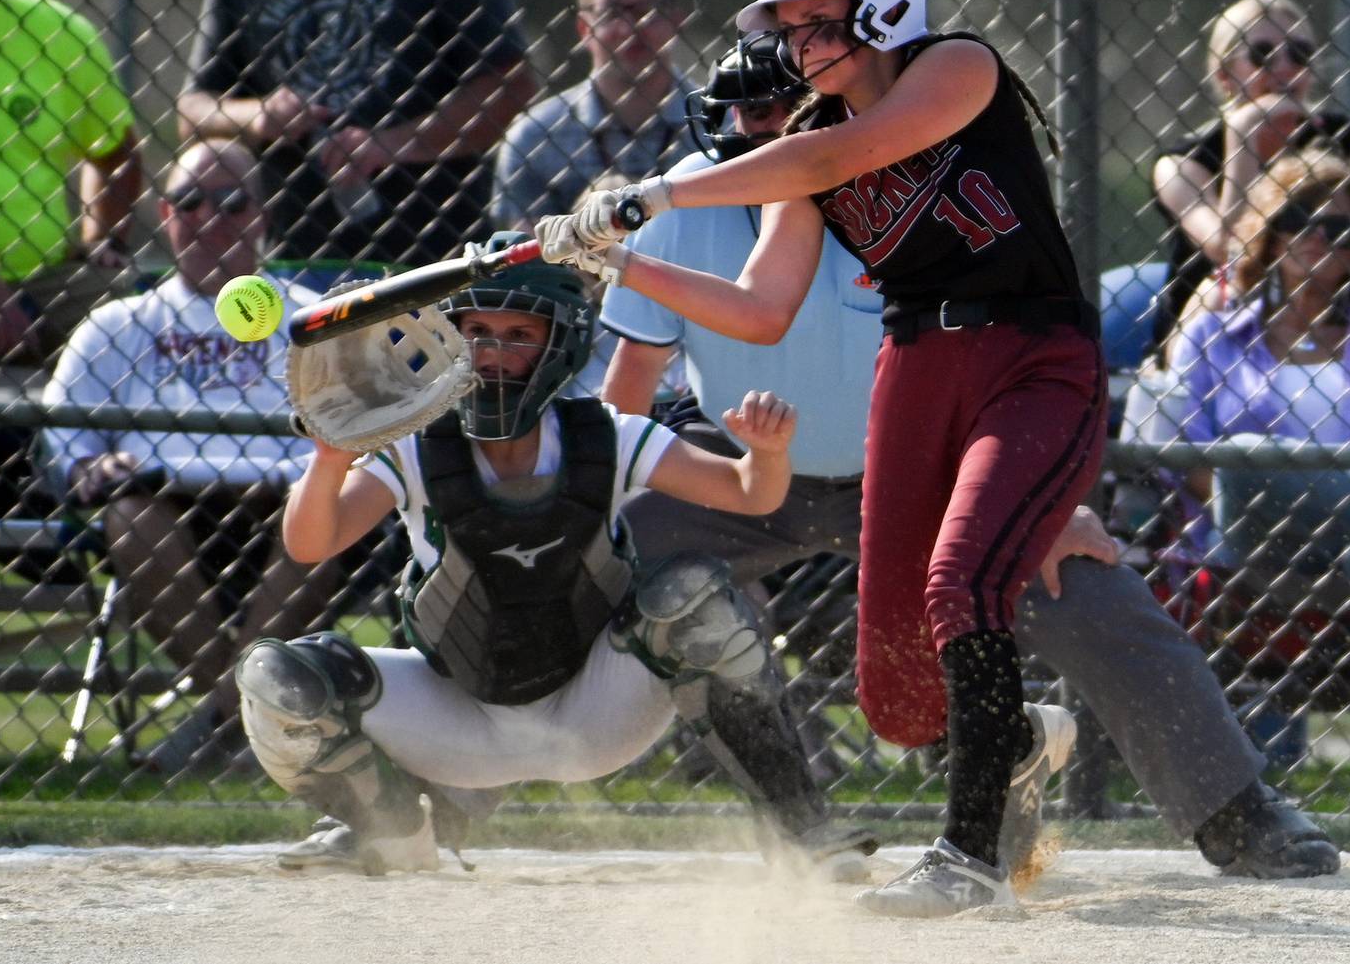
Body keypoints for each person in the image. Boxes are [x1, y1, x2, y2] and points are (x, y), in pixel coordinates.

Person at [601, 35, 1340, 879]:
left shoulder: (888, 197)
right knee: (602, 556)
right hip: (739, 470)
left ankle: (1233, 806)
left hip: (922, 467)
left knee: (1082, 584)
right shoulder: (679, 214)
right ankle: (462, 777)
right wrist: (581, 497)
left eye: (779, 112)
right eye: (744, 110)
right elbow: (630, 390)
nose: (759, 129)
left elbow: (982, 369)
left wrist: (1045, 495)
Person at [537, 0, 1109, 916]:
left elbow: (851, 153)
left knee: (962, 575)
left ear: (882, 7)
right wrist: (623, 261)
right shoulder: (805, 147)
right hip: (918, 364)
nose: (797, 45)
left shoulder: (955, 68)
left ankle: (967, 862)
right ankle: (1011, 746)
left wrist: (652, 194)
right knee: (895, 689)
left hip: (1030, 356)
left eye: (816, 21)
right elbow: (759, 310)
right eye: (787, 25)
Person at [238, 239, 877, 876]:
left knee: (691, 595)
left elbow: (748, 493)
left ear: (560, 344)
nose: (493, 351)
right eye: (477, 330)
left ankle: (802, 835)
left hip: (596, 711)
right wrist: (327, 459)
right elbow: (311, 542)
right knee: (278, 678)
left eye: (520, 333)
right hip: (455, 715)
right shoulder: (413, 444)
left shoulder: (606, 434)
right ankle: (394, 832)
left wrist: (767, 454)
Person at [40, 140, 339, 773]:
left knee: (320, 522)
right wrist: (87, 468)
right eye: (192, 201)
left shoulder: (313, 319)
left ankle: (215, 725)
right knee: (129, 517)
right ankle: (242, 716)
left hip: (285, 506)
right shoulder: (118, 325)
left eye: (233, 202)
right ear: (165, 212)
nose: (212, 219)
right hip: (171, 510)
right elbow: (65, 440)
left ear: (262, 215)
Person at [1170, 151, 1350, 815]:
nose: (1317, 236)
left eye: (1341, 228)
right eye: (1299, 219)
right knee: (1252, 454)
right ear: (1271, 231)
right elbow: (1192, 461)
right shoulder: (1215, 337)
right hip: (1252, 534)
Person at [177, 0, 534, 267]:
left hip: (433, 248)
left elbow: (508, 86)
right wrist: (258, 115)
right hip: (297, 253)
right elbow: (194, 109)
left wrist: (392, 144)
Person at [1150, 0, 1350, 362]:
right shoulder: (1183, 161)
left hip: (1333, 313)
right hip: (1222, 326)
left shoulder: (1342, 136)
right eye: (1261, 54)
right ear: (1225, 75)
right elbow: (1231, 248)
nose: (1285, 67)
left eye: (1299, 54)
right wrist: (1243, 137)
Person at [489, 0, 697, 231]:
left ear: (676, 20)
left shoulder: (721, 120)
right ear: (585, 28)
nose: (629, 29)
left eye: (645, 11)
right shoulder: (532, 137)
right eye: (612, 13)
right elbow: (524, 264)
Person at [0, 0, 141, 364]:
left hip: (45, 278)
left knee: (131, 320)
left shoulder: (55, 28)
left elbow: (114, 152)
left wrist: (102, 238)